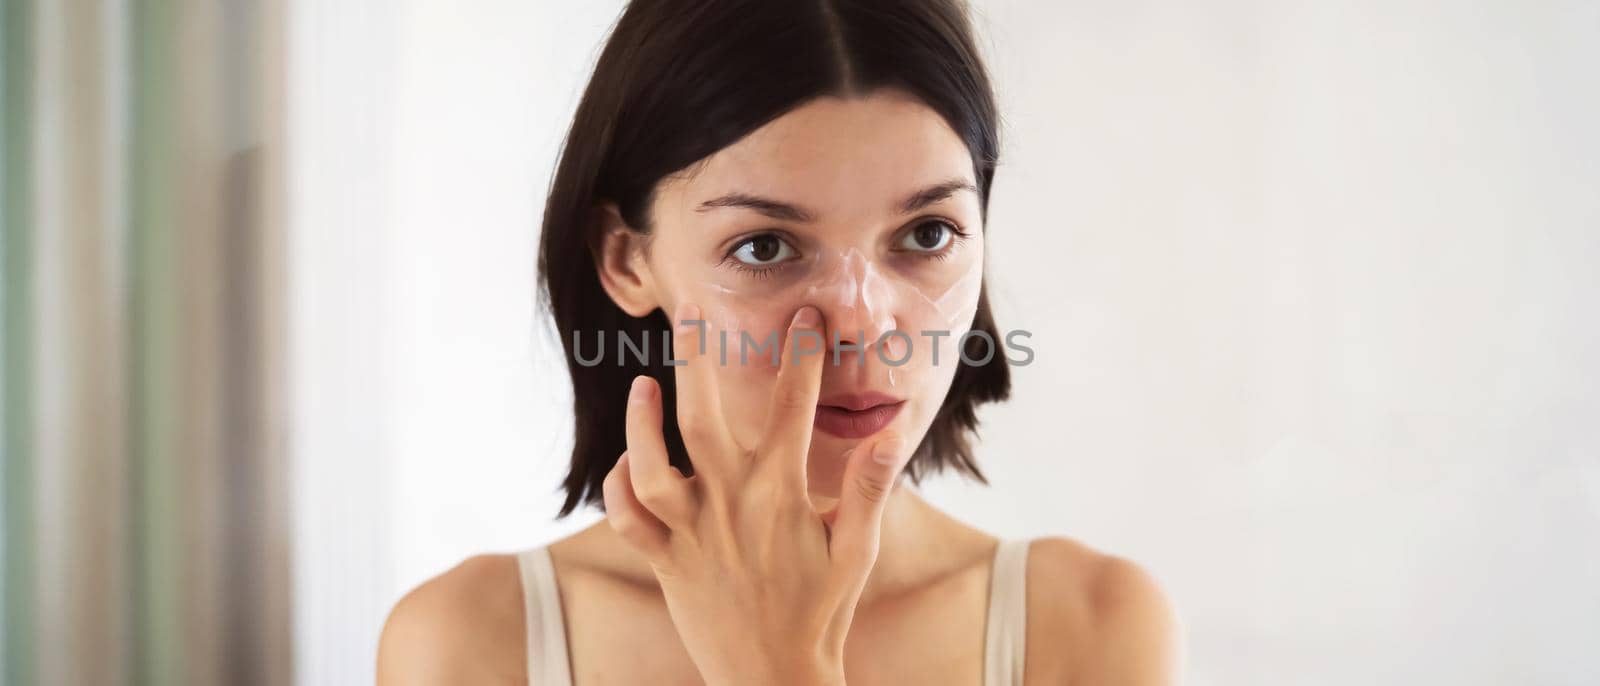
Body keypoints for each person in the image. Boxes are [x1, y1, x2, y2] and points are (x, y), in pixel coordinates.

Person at [378, 1, 1180, 683]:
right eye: (765, 247)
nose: (863, 326)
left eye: (928, 232)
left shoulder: (1089, 631)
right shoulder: (468, 645)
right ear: (627, 260)